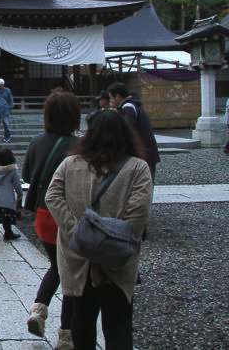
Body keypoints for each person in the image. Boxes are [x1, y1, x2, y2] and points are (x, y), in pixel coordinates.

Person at [45, 109, 153, 350]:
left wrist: (78, 232)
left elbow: (52, 197)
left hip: (79, 255)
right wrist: (113, 238)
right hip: (117, 258)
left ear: (90, 135)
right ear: (126, 135)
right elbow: (138, 215)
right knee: (118, 324)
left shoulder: (70, 164)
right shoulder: (138, 168)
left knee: (82, 321)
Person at [22, 91, 81, 346]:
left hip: (42, 215)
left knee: (57, 267)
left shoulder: (36, 141)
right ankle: (66, 334)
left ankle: (38, 309)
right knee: (71, 273)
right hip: (66, 215)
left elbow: (26, 172)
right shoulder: (77, 146)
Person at [107, 82, 160, 179]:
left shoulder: (128, 107)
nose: (110, 101)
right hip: (147, 152)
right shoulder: (131, 105)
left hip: (144, 153)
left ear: (118, 96)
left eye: (111, 97)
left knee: (143, 183)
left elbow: (126, 130)